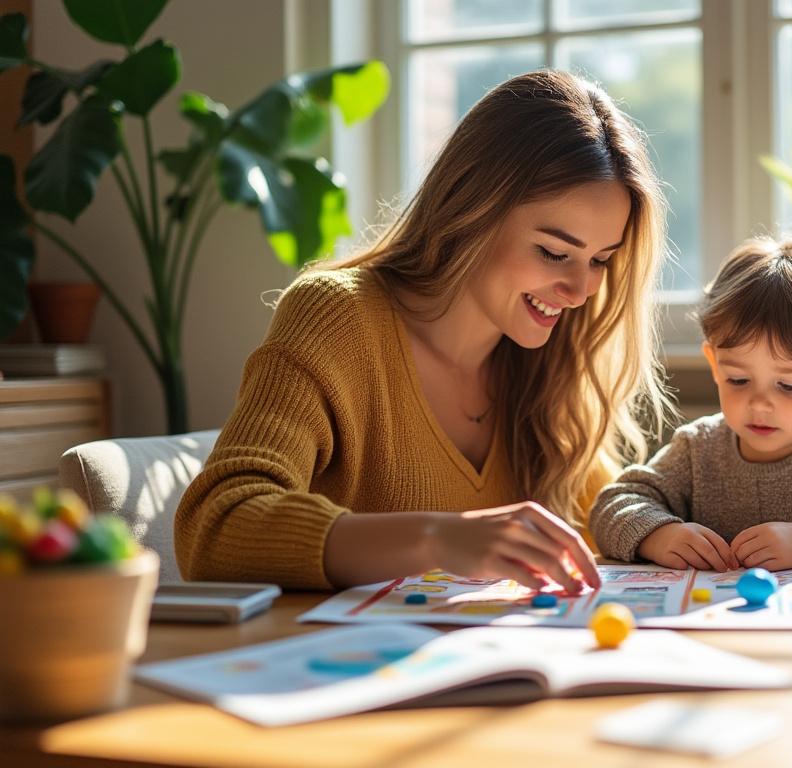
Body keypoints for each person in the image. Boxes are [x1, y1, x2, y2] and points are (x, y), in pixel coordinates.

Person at [176, 70, 674, 591]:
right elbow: (215, 526)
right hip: (337, 667)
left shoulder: (549, 364)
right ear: (472, 211)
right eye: (554, 252)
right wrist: (436, 539)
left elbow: (602, 526)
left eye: (600, 261)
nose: (579, 291)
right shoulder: (339, 318)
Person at [590, 235, 792, 571]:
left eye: (788, 385)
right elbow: (612, 505)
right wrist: (660, 536)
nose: (759, 404)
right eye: (738, 380)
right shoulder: (698, 449)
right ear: (715, 365)